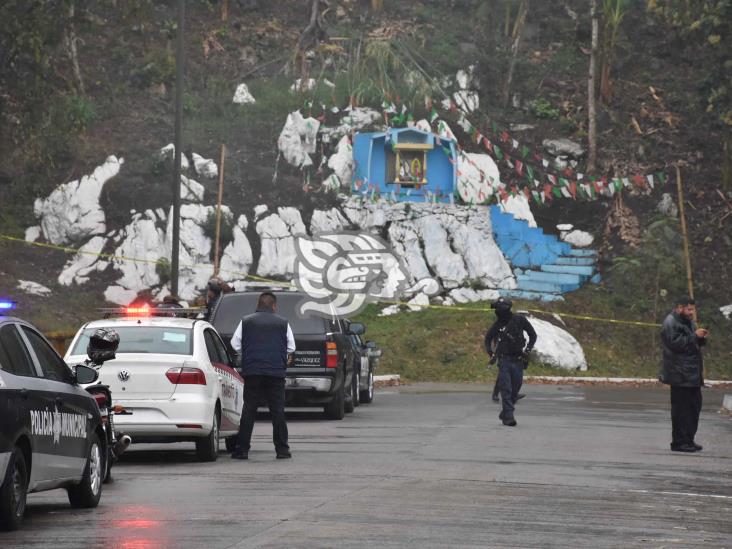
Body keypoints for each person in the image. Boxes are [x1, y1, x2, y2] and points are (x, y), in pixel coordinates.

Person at [230, 292, 295, 460]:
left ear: (258, 305)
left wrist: (248, 353)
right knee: (277, 411)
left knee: (249, 409)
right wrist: (278, 355)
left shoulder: (246, 321)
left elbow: (235, 343)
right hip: (275, 372)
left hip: (252, 371)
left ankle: (242, 449)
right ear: (274, 306)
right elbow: (291, 347)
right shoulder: (283, 323)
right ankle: (282, 450)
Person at [660, 295, 708, 453]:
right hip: (679, 375)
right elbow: (675, 344)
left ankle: (689, 440)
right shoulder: (670, 322)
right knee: (681, 410)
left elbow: (692, 343)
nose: (691, 312)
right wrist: (695, 336)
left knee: (694, 408)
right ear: (679, 307)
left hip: (692, 374)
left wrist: (701, 338)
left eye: (693, 309)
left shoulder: (689, 322)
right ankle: (679, 442)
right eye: (689, 309)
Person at [484, 297, 537, 427]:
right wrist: (491, 353)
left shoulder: (519, 320)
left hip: (518, 360)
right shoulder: (497, 325)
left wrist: (528, 349)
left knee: (515, 389)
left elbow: (532, 335)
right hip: (504, 360)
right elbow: (487, 339)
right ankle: (509, 417)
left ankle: (505, 412)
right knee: (506, 389)